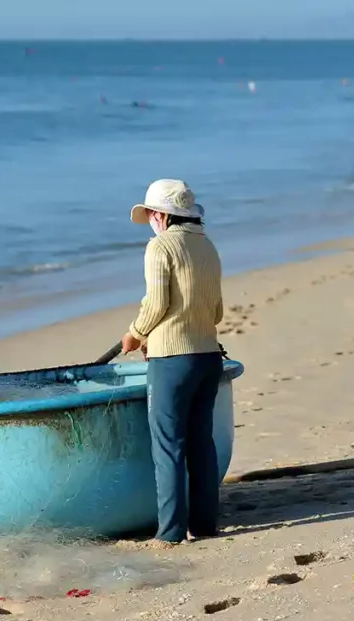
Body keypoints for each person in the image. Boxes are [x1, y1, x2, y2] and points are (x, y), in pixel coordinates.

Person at [120, 179, 224, 547]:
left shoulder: (160, 247)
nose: (149, 221)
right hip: (208, 356)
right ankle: (206, 523)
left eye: (150, 214)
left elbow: (157, 303)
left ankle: (170, 533)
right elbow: (216, 310)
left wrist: (136, 333)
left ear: (161, 216)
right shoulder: (207, 246)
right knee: (201, 443)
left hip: (172, 362)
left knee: (168, 447)